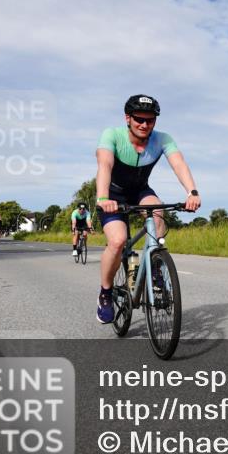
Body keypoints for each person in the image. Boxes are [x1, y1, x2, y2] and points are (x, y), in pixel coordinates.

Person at [94, 95, 200, 323]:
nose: (144, 125)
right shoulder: (112, 135)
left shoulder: (162, 139)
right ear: (128, 118)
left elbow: (179, 163)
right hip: (112, 194)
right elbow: (105, 164)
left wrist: (192, 191)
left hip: (140, 190)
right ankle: (105, 293)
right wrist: (103, 197)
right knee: (118, 241)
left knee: (158, 214)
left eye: (150, 120)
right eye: (139, 119)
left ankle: (155, 269)